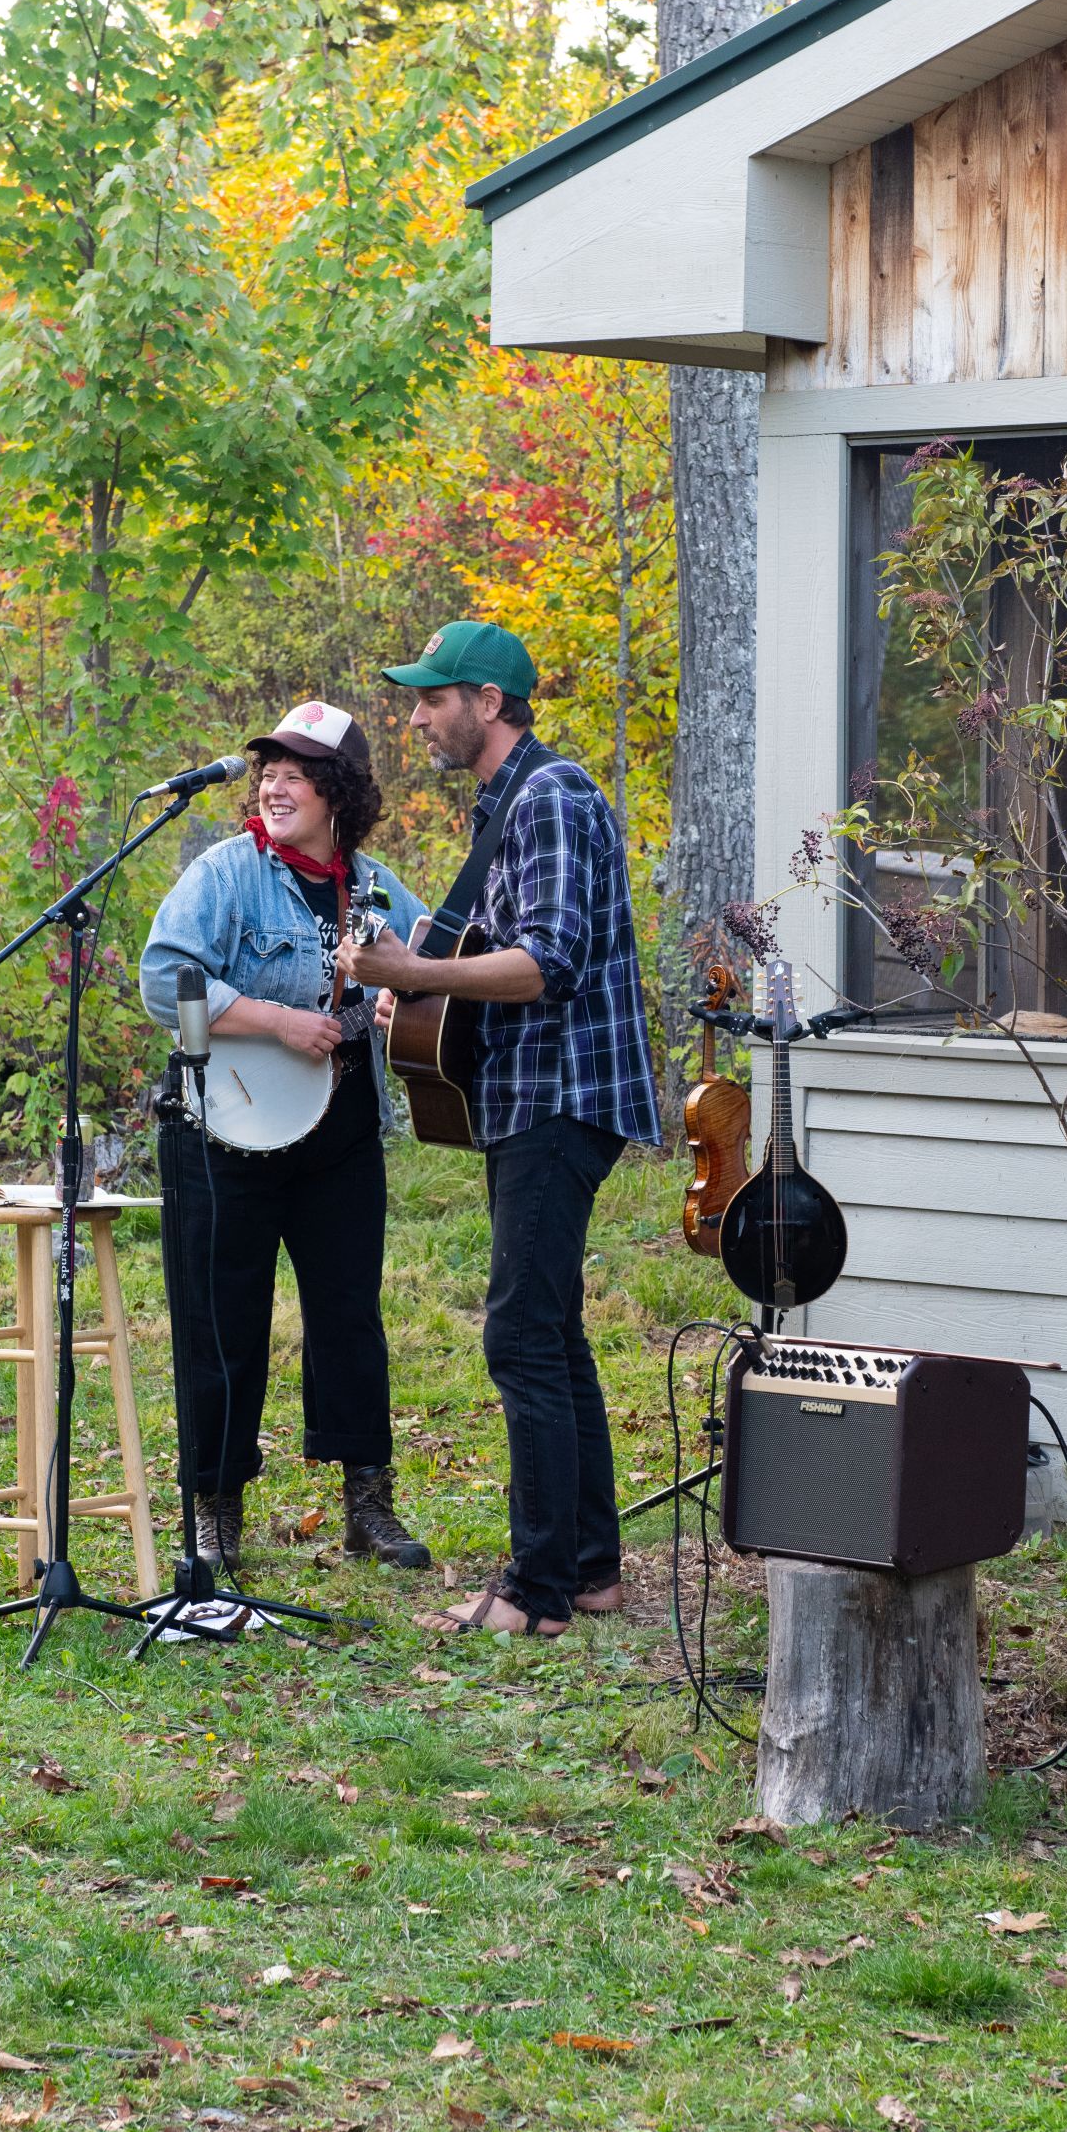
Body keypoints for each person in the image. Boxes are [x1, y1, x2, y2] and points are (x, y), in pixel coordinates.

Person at [339, 621, 660, 1634]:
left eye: (432, 698)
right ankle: (591, 1569)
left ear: (486, 698)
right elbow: (495, 956)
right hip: (527, 1095)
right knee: (551, 1335)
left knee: (519, 1336)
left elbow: (547, 961)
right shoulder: (510, 801)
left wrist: (419, 974)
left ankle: (535, 1593)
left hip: (563, 1095)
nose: (418, 715)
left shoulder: (552, 794)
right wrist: (422, 1001)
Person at [139, 700, 431, 1574]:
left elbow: (428, 966)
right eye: (266, 772)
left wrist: (400, 997)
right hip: (218, 1131)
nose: (271, 785)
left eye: (294, 774)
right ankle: (214, 1510)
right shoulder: (226, 874)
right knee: (220, 1320)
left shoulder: (376, 888)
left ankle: (367, 1504)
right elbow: (164, 978)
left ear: (337, 792)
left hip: (337, 1133)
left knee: (348, 1316)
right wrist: (273, 1020)